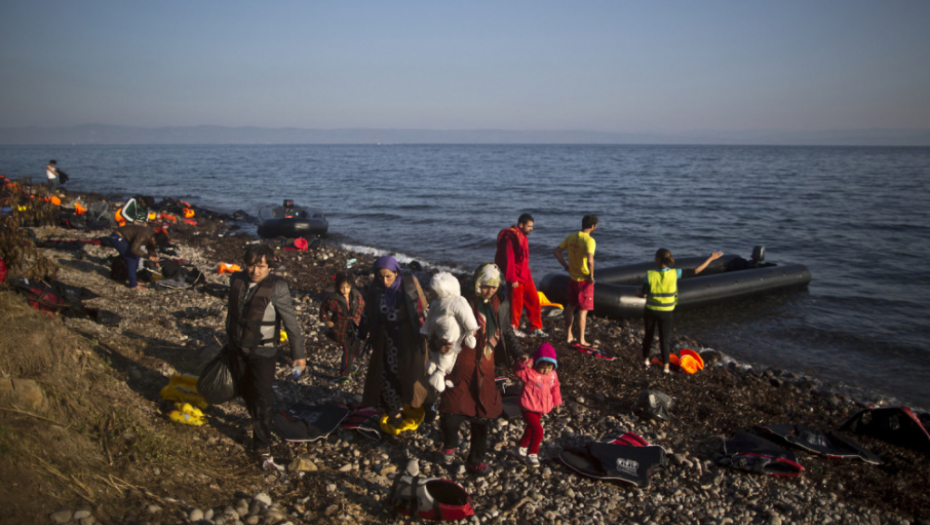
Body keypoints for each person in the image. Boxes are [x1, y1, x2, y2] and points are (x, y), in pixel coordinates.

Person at [437, 263, 523, 477]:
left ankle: (476, 460)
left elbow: (508, 333)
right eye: (485, 286)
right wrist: (441, 344)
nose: (489, 291)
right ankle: (449, 444)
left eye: (493, 287)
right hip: (461, 365)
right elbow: (442, 329)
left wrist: (520, 353)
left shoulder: (500, 304)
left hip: (486, 368)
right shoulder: (461, 303)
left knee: (482, 417)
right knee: (451, 410)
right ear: (477, 283)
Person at [225, 244, 306, 466]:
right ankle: (256, 420)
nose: (255, 271)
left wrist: (298, 354)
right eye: (251, 265)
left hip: (264, 351)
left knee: (263, 396)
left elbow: (291, 323)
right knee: (243, 388)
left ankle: (261, 444)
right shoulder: (237, 281)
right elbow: (232, 315)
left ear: (269, 266)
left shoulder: (277, 288)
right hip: (238, 348)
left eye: (261, 266)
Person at [358, 256, 430, 430]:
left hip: (409, 340)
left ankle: (422, 406)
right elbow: (368, 313)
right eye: (380, 276)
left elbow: (423, 310)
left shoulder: (410, 285)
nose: (384, 280)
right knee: (387, 375)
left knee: (413, 374)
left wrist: (428, 336)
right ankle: (393, 410)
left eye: (388, 276)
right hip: (386, 341)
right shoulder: (376, 289)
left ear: (396, 272)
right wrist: (362, 333)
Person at [638, 248, 723, 373]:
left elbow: (644, 294)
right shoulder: (675, 273)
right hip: (666, 312)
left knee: (648, 337)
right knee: (664, 340)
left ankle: (645, 361)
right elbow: (696, 271)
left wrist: (637, 293)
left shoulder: (650, 274)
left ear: (656, 259)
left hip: (651, 310)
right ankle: (666, 367)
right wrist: (710, 259)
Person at [495, 214, 546, 338]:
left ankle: (536, 328)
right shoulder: (510, 237)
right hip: (516, 277)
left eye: (532, 226)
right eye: (529, 226)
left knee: (534, 300)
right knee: (515, 306)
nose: (531, 229)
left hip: (526, 275)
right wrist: (512, 278)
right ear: (521, 225)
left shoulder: (522, 236)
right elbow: (509, 257)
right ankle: (512, 329)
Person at [513, 342, 562, 468]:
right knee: (538, 430)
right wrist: (524, 363)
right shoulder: (529, 373)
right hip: (527, 406)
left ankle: (520, 447)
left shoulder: (552, 375)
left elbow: (555, 388)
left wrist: (557, 402)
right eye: (543, 367)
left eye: (549, 367)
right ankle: (532, 453)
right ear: (536, 363)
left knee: (530, 429)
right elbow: (517, 371)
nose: (546, 370)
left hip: (541, 407)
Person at [552, 214, 598, 347]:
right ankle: (582, 339)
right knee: (583, 310)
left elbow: (556, 252)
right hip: (583, 280)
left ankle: (569, 335)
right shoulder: (589, 240)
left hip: (572, 277)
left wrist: (566, 266)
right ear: (593, 226)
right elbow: (590, 260)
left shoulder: (571, 237)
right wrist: (591, 276)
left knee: (570, 306)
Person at [319, 273, 365, 383]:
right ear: (338, 286)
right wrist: (327, 321)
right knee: (347, 349)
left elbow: (362, 308)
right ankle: (344, 374)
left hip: (354, 325)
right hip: (341, 327)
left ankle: (349, 366)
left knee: (354, 348)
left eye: (347, 287)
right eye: (342, 287)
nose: (345, 290)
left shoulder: (356, 296)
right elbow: (323, 309)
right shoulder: (333, 299)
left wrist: (361, 320)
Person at [109, 223, 158, 290]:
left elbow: (151, 248)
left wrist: (155, 259)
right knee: (132, 259)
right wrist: (148, 257)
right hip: (117, 237)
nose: (154, 244)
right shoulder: (144, 234)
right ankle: (133, 284)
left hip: (124, 238)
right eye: (155, 243)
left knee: (136, 257)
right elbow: (134, 249)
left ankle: (134, 280)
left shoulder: (152, 236)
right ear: (154, 238)